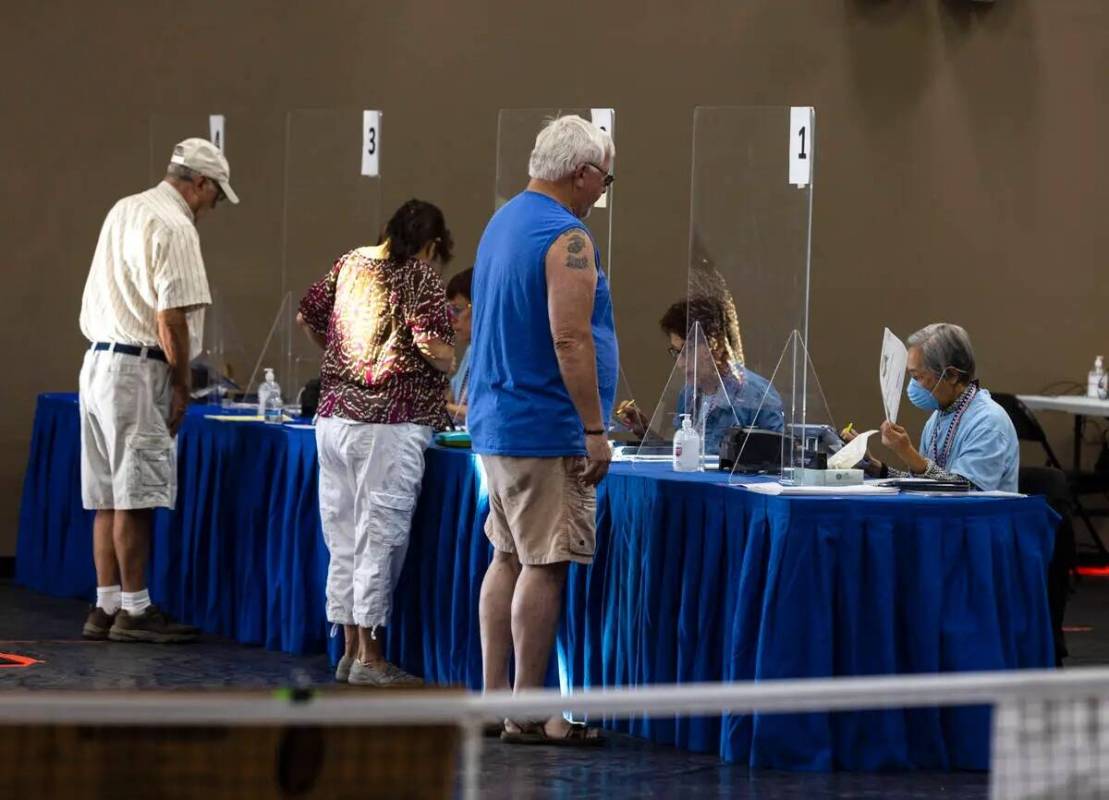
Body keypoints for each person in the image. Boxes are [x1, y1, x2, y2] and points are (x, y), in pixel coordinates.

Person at [469, 115, 616, 744]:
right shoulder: (567, 236)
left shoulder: (502, 221)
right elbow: (569, 336)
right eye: (603, 181)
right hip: (543, 425)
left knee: (507, 555)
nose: (601, 193)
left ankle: (498, 698)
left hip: (496, 421)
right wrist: (593, 428)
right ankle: (528, 712)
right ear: (580, 173)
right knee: (546, 563)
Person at [78, 138, 237, 644]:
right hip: (138, 371)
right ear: (201, 184)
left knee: (106, 496)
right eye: (215, 196)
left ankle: (105, 605)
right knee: (136, 497)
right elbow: (170, 316)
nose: (212, 207)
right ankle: (137, 609)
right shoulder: (174, 226)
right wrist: (182, 384)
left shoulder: (125, 208)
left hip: (98, 362)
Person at [297, 199, 455, 687]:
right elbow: (432, 345)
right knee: (379, 538)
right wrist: (448, 362)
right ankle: (371, 657)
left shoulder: (349, 263)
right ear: (432, 244)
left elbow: (308, 316)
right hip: (389, 423)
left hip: (333, 420)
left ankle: (347, 651)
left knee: (342, 537)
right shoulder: (421, 276)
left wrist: (344, 361)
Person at [845, 323, 1019, 492]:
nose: (913, 385)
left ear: (951, 375)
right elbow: (927, 484)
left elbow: (966, 490)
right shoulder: (939, 416)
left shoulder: (988, 422)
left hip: (980, 519)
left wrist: (907, 452)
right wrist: (876, 468)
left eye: (918, 376)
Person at [616, 297, 784, 454]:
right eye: (676, 352)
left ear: (714, 344)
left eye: (686, 350)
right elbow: (682, 455)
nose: (680, 363)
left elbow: (774, 462)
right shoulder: (688, 393)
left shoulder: (757, 395)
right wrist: (644, 430)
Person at [445, 267, 473, 425]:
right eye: (449, 311)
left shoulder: (494, 355)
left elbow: (481, 414)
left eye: (457, 310)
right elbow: (452, 398)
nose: (452, 319)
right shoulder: (471, 351)